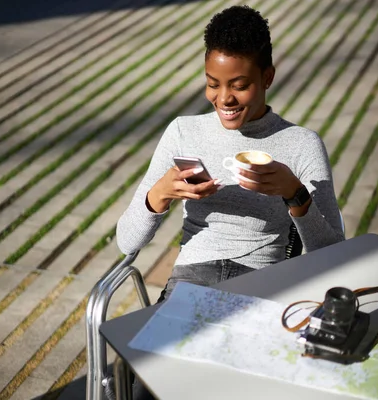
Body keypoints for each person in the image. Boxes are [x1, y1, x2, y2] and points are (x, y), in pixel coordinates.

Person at [116, 5, 345, 304]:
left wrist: (295, 194)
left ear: (267, 77)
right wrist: (159, 194)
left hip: (264, 281)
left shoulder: (301, 144)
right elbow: (127, 241)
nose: (223, 99)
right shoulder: (183, 132)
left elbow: (333, 256)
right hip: (191, 279)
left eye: (239, 86)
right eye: (213, 84)